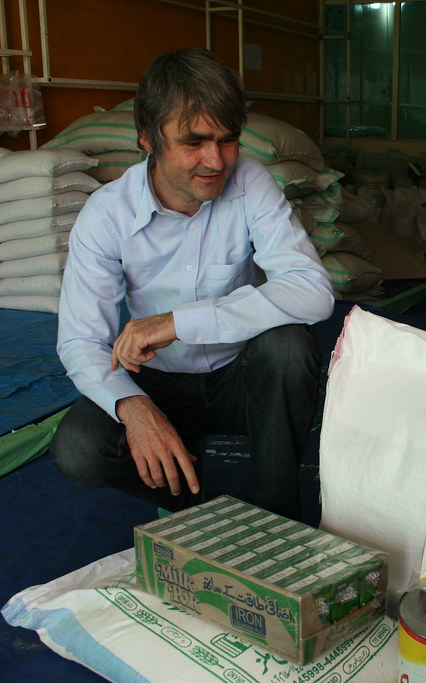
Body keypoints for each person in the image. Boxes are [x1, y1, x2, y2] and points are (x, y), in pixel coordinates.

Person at [50, 48, 335, 521]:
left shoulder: (250, 183)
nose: (216, 160)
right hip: (159, 386)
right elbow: (81, 340)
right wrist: (136, 409)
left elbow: (313, 290)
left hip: (241, 380)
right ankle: (192, 506)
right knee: (80, 449)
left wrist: (180, 322)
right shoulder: (106, 214)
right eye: (194, 142)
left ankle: (272, 517)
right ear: (147, 140)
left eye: (228, 140)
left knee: (289, 347)